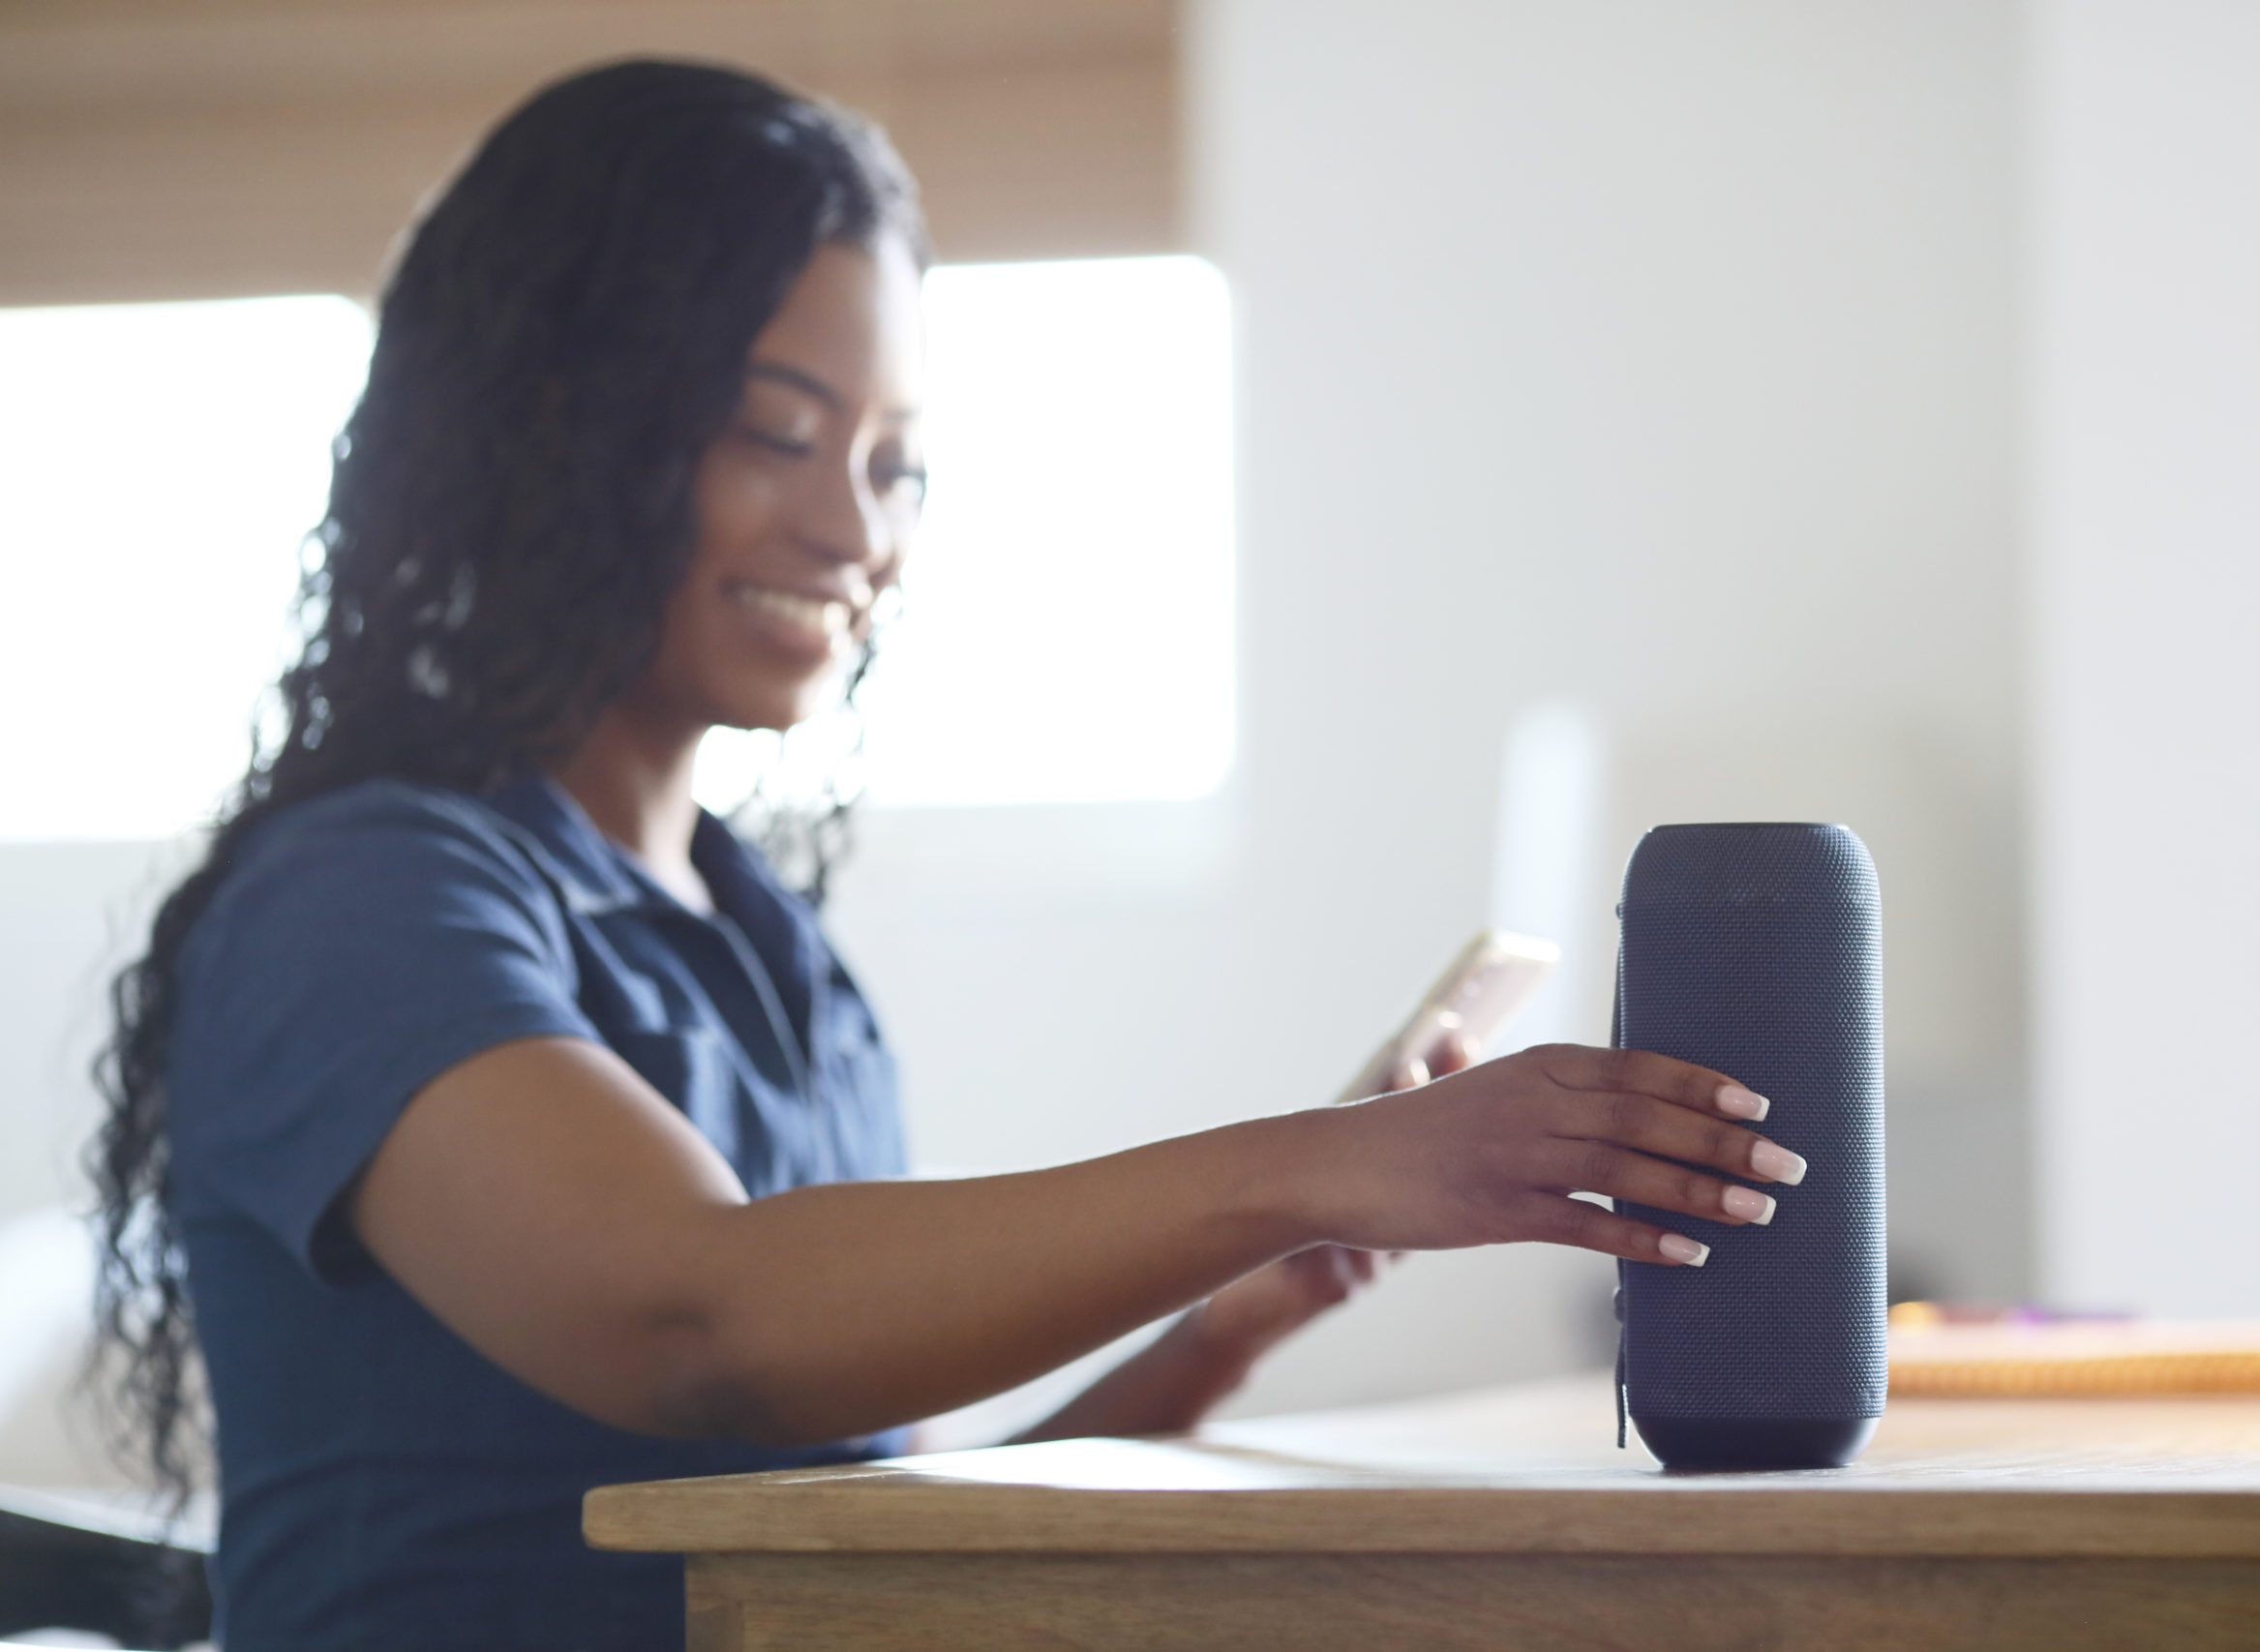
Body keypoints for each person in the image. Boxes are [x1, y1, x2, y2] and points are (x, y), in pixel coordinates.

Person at [87, 59, 1803, 1652]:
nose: (855, 530)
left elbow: (848, 1542)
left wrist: (1232, 1309)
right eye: (778, 432)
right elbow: (702, 1326)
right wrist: (1318, 1163)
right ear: (552, 420)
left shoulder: (770, 953)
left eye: (895, 465)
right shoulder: (359, 901)